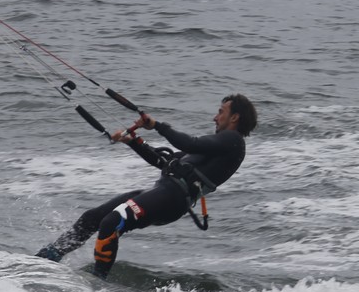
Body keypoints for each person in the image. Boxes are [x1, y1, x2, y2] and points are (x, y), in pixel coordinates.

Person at [35, 94, 257, 279]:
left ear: (235, 117)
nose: (215, 117)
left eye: (221, 112)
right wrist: (133, 142)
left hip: (171, 199)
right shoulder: (216, 147)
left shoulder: (233, 140)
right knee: (92, 218)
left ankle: (96, 284)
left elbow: (189, 143)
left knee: (111, 222)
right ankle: (46, 259)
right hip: (161, 192)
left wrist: (157, 126)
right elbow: (163, 162)